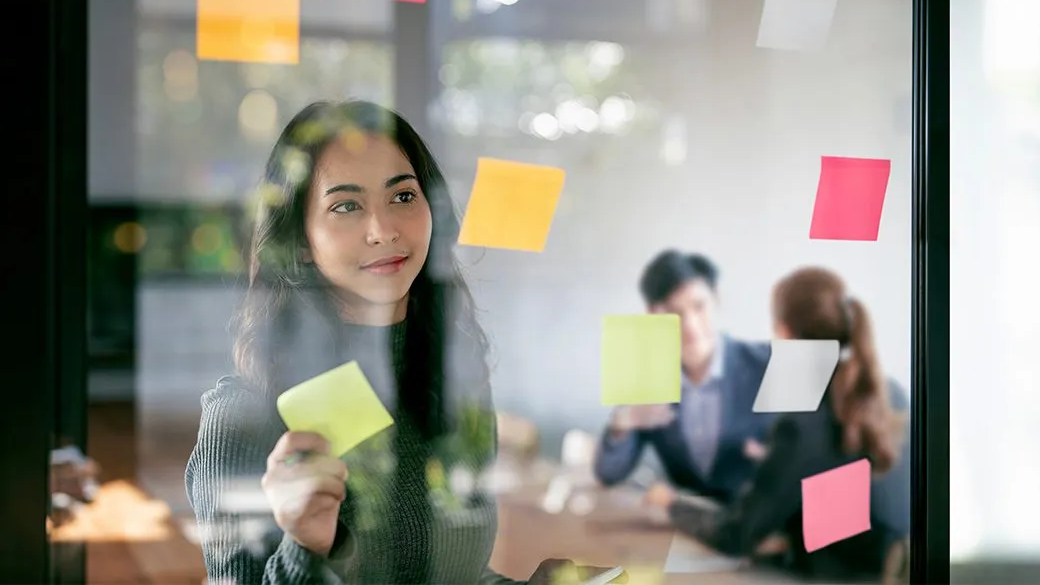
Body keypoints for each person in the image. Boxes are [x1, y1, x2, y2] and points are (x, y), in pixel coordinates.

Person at [185, 101, 622, 585]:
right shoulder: (243, 416)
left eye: (403, 196)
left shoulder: (447, 378)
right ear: (302, 243)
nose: (383, 230)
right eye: (346, 206)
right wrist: (305, 546)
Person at [644, 267, 911, 583]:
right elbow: (866, 493)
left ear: (784, 332)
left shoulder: (801, 423)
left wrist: (673, 504)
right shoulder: (888, 391)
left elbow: (735, 535)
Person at [593, 250, 775, 503]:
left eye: (699, 307)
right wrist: (622, 421)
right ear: (653, 316)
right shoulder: (650, 378)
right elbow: (609, 473)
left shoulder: (767, 363)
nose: (690, 326)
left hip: (758, 531)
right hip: (688, 530)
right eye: (674, 313)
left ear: (716, 299)